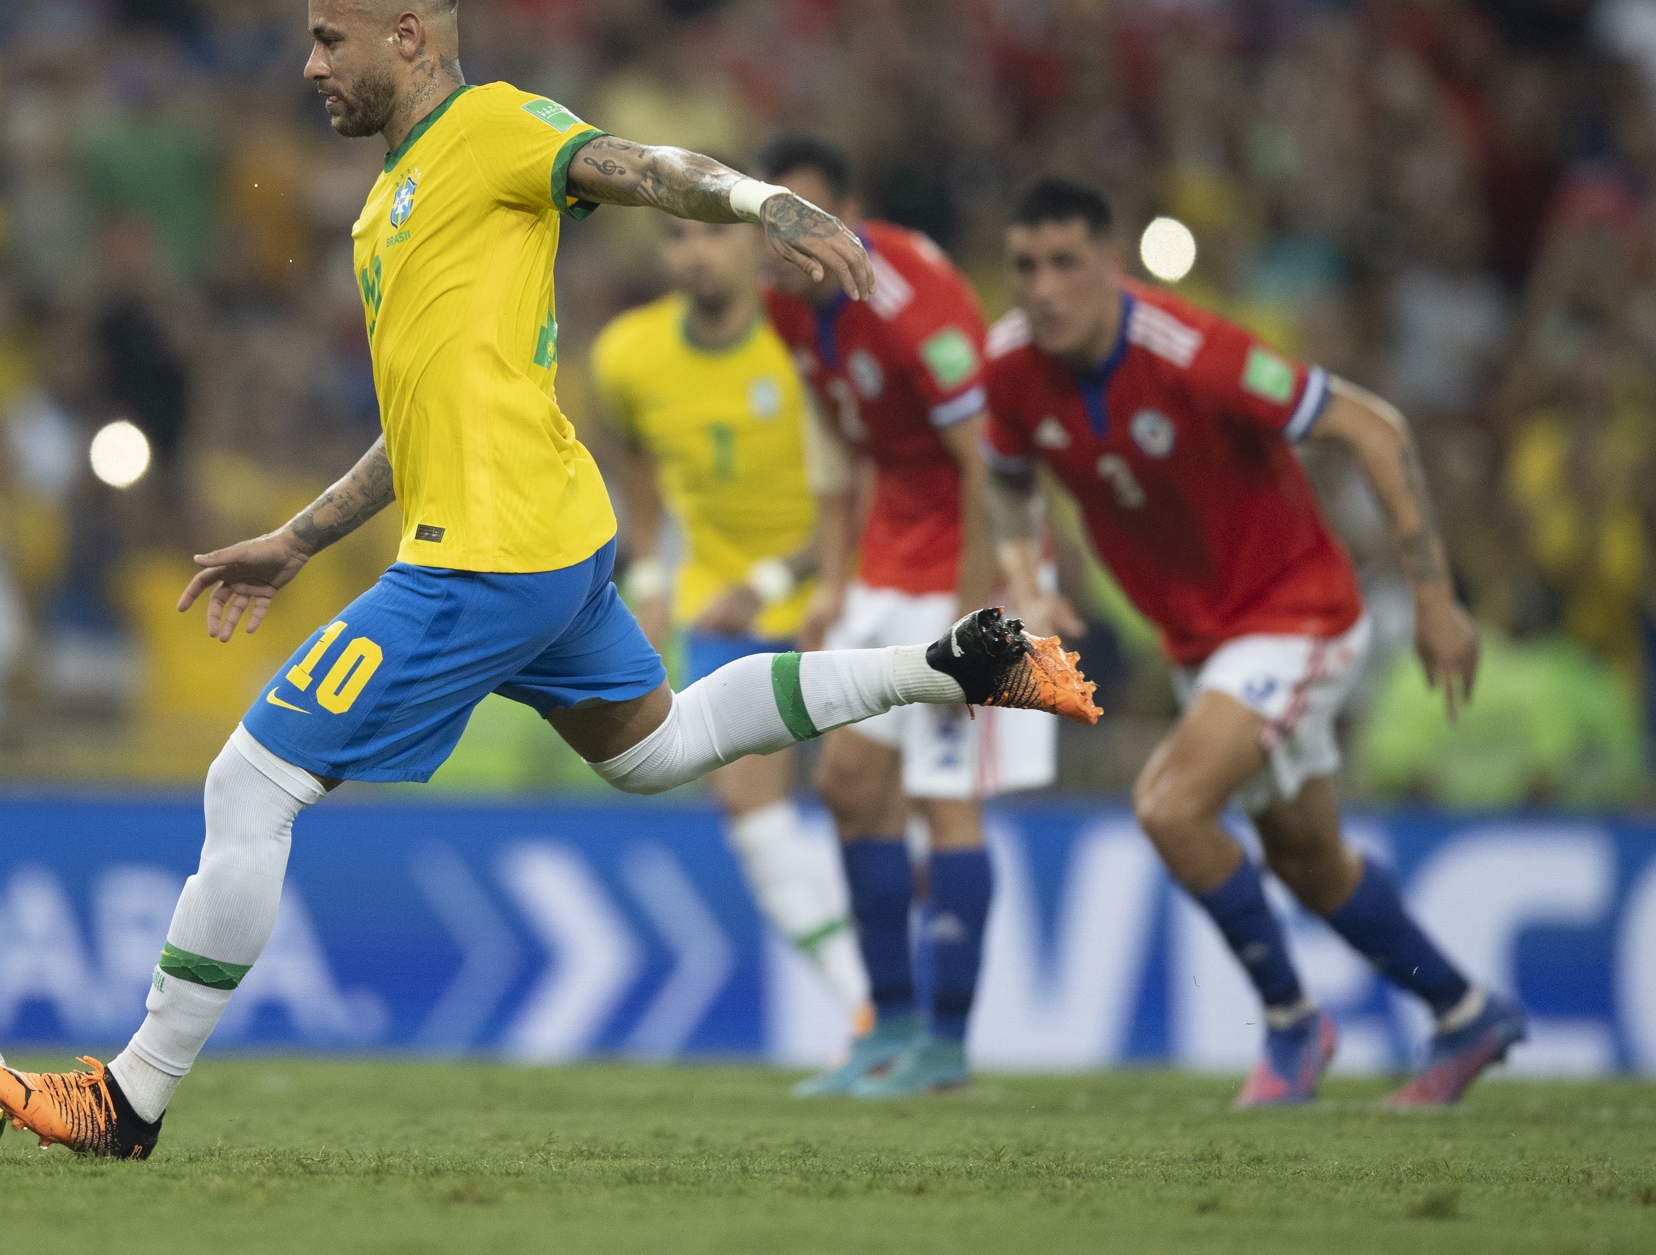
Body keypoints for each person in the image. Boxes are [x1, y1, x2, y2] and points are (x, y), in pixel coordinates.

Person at [0, 0, 1098, 1159]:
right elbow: (417, 430)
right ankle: (947, 666)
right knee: (659, 751)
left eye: (326, 38)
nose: (308, 66)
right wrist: (297, 538)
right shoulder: (385, 210)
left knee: (248, 784)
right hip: (548, 542)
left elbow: (638, 164)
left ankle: (128, 1097)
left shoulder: (494, 128)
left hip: (483, 558)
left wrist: (764, 200)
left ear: (408, 35)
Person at [981, 178, 1525, 1108]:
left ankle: (1290, 1020)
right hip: (1202, 641)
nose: (1043, 288)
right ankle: (1466, 1009)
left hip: (1294, 613)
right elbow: (1008, 476)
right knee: (1308, 858)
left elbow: (1372, 425)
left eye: (1066, 263)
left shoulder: (1195, 352)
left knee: (1168, 805)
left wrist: (1435, 599)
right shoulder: (1008, 366)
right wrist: (1029, 577)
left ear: (1112, 267)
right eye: (1025, 266)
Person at [758, 135, 1058, 1099]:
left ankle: (945, 1045)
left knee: (943, 793)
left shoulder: (906, 303)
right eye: (779, 223)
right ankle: (884, 1025)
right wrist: (833, 580)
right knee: (847, 778)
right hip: (892, 550)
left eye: (810, 222)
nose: (793, 244)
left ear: (846, 216)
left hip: (980, 554)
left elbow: (991, 463)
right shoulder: (787, 305)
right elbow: (836, 446)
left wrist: (976, 618)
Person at [590, 213, 869, 1035]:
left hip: (837, 590)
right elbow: (633, 455)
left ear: (752, 243)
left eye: (711, 235)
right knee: (747, 803)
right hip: (720, 607)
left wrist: (776, 577)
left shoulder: (803, 345)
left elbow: (866, 485)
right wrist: (648, 577)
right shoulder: (626, 355)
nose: (695, 253)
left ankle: (907, 990)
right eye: (676, 237)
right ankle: (861, 1001)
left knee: (862, 792)